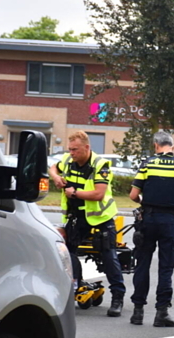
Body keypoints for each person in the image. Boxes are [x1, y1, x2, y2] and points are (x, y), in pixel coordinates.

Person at [49, 131, 126, 317]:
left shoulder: (100, 165)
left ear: (87, 148)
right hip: (77, 217)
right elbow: (53, 167)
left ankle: (118, 298)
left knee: (108, 256)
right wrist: (56, 178)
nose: (72, 153)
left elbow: (98, 193)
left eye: (75, 149)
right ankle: (76, 287)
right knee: (67, 253)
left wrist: (74, 193)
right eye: (70, 149)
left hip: (101, 218)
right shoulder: (68, 160)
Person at [127, 129, 174, 328]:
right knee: (166, 267)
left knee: (142, 264)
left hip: (147, 219)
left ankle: (137, 313)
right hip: (169, 220)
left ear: (156, 145)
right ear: (172, 146)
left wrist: (144, 201)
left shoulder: (147, 164)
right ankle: (161, 312)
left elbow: (132, 195)